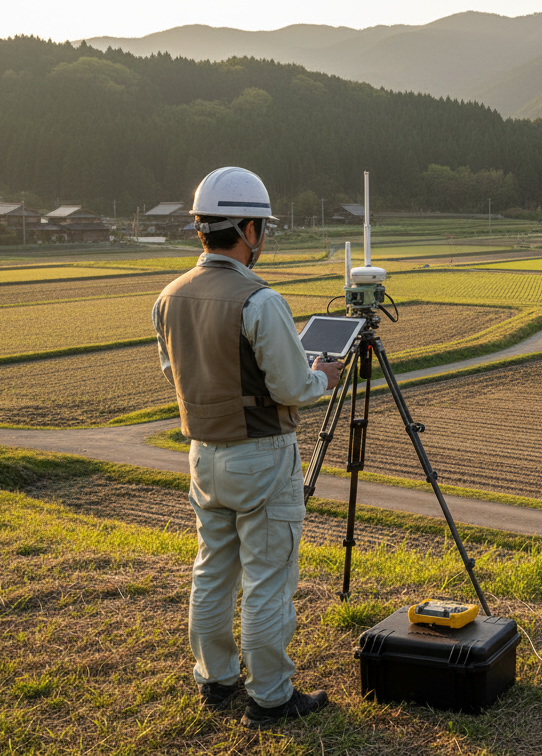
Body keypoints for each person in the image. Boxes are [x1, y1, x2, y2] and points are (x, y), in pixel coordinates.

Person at [152, 167, 343, 728]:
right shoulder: (259, 300)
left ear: (201, 227)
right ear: (249, 230)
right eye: (263, 228)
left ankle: (215, 678)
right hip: (261, 453)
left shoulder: (168, 297)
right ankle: (271, 698)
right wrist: (324, 375)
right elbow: (292, 388)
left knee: (212, 570)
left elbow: (173, 372)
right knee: (267, 578)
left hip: (202, 456)